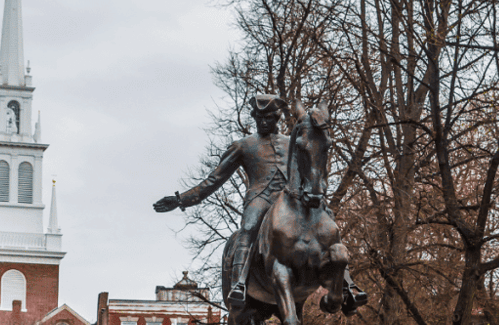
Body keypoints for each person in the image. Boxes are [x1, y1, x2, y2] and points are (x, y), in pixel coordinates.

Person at [153, 94, 366, 312]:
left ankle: (348, 285)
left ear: (277, 118)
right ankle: (239, 284)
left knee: (327, 221)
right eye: (260, 118)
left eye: (269, 117)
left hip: (291, 199)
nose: (264, 122)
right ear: (254, 117)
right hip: (260, 198)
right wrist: (180, 200)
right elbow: (213, 180)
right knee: (248, 227)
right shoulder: (243, 146)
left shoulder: (292, 141)